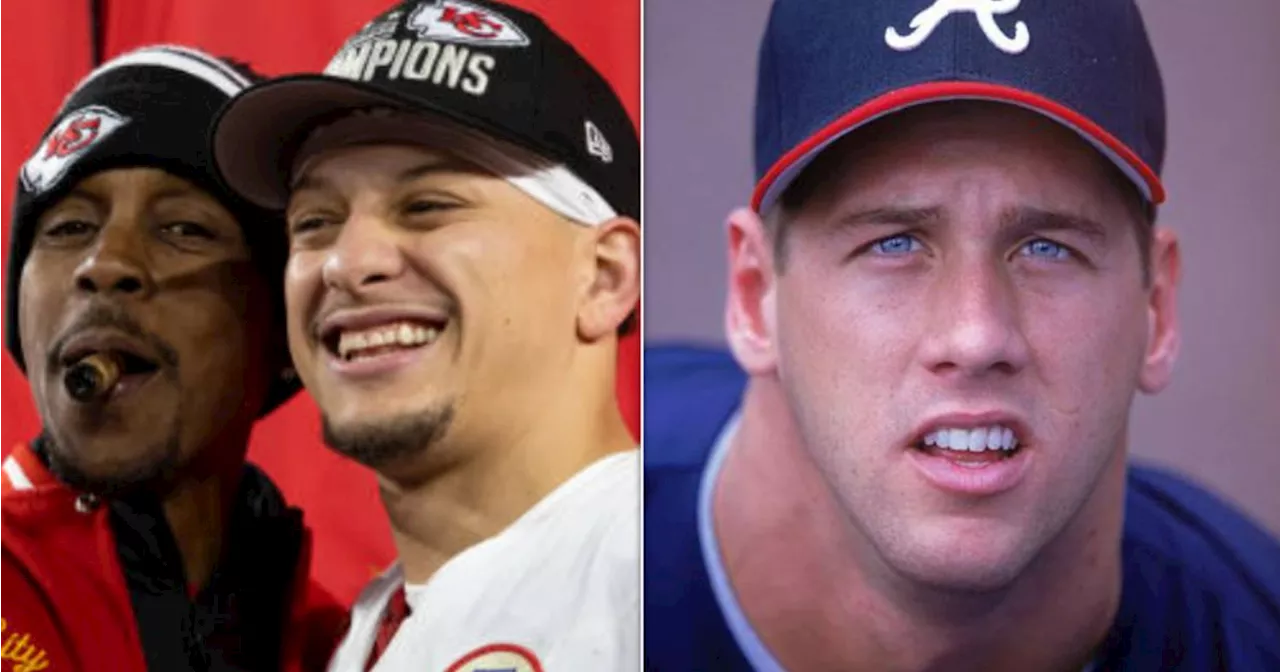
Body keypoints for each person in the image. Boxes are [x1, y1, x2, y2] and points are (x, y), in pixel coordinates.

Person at [644, 0, 1280, 670]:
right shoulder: (553, 546)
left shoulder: (1254, 632)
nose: (976, 335)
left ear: (1158, 308)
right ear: (754, 296)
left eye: (1047, 248)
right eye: (892, 242)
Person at [209, 0, 641, 670]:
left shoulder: (664, 578)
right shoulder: (365, 631)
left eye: (428, 206)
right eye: (315, 221)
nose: (348, 264)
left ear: (604, 277)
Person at [1, 44, 343, 672]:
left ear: (285, 334)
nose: (104, 265)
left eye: (184, 229)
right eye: (67, 228)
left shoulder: (347, 649)